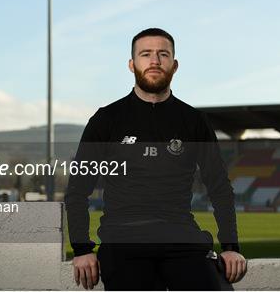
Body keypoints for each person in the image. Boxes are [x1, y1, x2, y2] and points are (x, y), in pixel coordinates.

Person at [65, 28, 246, 290]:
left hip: (182, 239)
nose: (154, 61)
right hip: (123, 241)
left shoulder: (194, 121)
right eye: (145, 54)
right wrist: (82, 248)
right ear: (131, 64)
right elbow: (77, 189)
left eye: (163, 54)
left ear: (174, 64)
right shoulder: (107, 119)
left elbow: (219, 187)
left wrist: (231, 247)